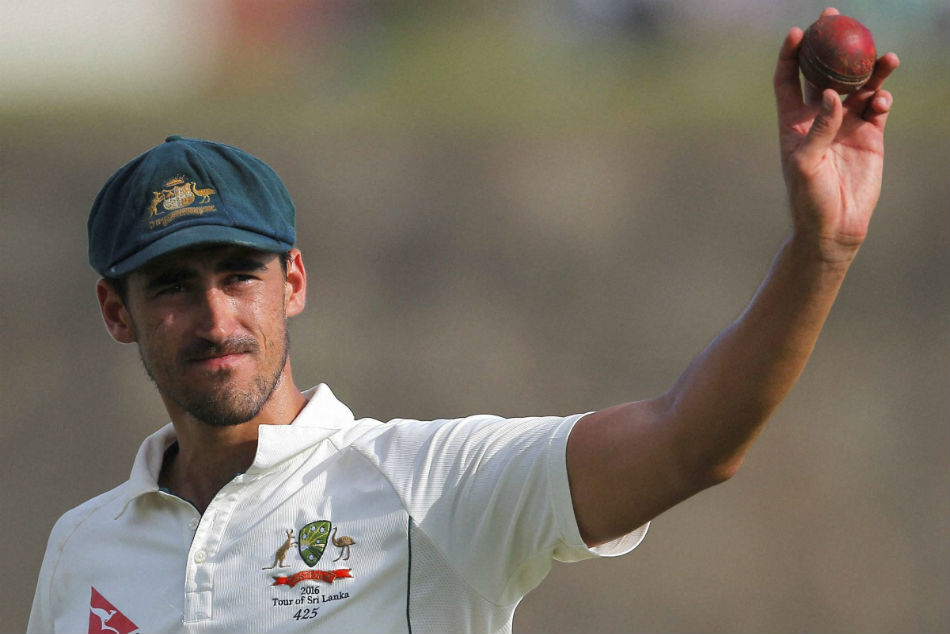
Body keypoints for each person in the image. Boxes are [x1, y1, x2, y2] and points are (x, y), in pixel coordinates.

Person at [28, 10, 899, 634]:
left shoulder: (431, 487)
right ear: (118, 313)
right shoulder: (83, 547)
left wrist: (820, 253)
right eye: (175, 287)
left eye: (240, 275)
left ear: (292, 281)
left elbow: (690, 444)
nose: (216, 316)